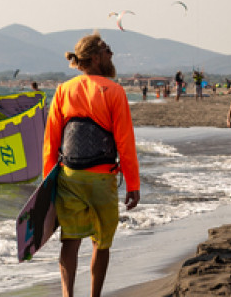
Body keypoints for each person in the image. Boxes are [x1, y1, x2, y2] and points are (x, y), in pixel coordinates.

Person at [42, 33, 140, 297]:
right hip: (101, 178)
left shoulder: (63, 90)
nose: (111, 54)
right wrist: (133, 184)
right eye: (107, 50)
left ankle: (67, 295)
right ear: (95, 58)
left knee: (70, 240)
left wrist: (47, 183)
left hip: (69, 176)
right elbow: (125, 143)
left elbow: (51, 140)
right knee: (101, 242)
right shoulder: (115, 91)